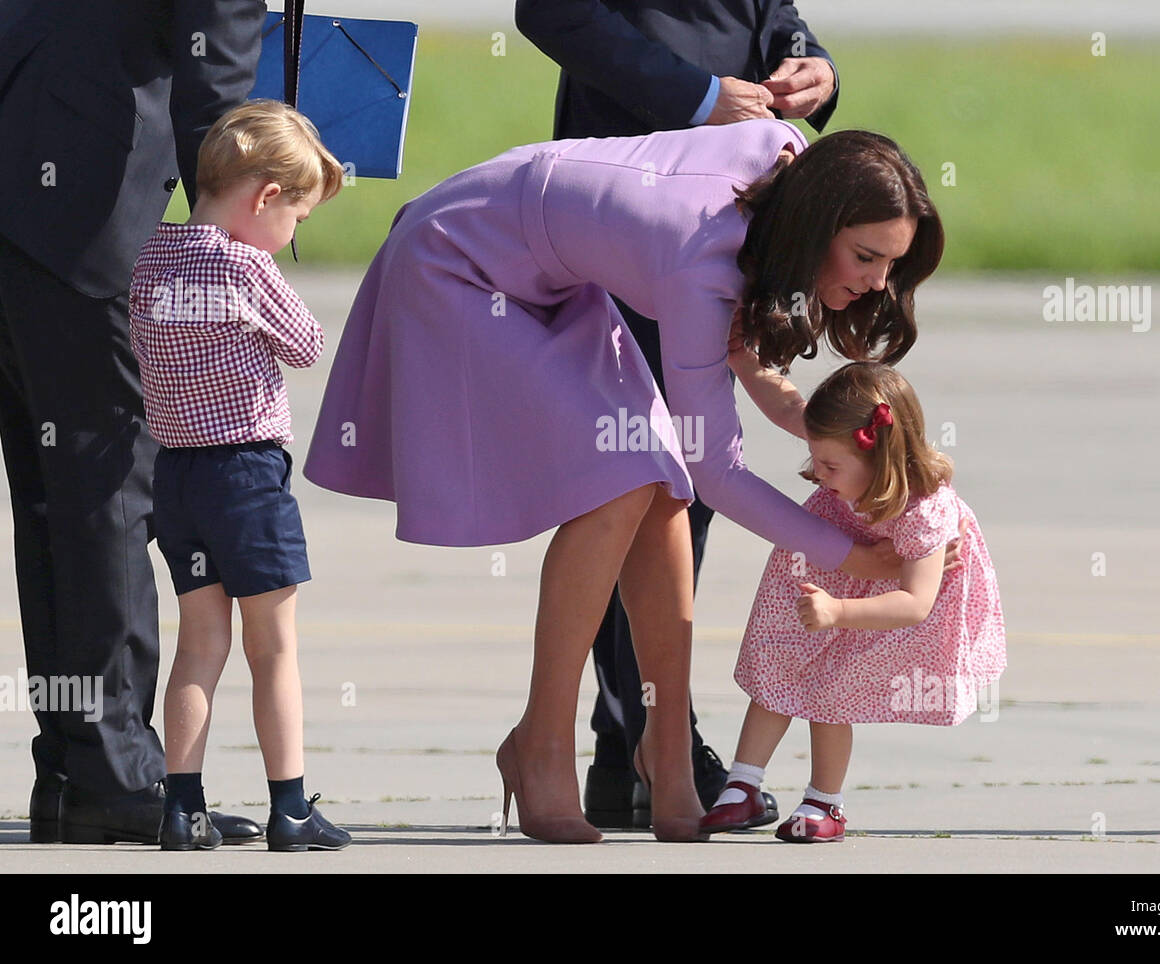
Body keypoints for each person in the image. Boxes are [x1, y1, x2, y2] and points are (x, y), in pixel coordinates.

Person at [303, 119, 945, 843]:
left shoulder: (788, 158)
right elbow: (720, 469)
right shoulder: (697, 256)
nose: (875, 283)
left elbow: (739, 358)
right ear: (817, 224)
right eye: (865, 257)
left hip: (548, 275)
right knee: (623, 480)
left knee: (661, 483)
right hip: (456, 262)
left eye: (889, 265)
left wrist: (820, 425)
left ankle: (665, 749)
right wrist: (848, 554)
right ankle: (540, 746)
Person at [516, 0, 839, 830]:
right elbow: (551, 12)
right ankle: (650, 738)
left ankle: (625, 744)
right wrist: (696, 98)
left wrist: (810, 66)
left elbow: (775, 15)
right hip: (627, 205)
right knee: (635, 480)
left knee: (677, 494)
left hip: (729, 205)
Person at [0, 0, 266, 845]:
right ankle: (113, 773)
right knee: (110, 489)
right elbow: (216, 88)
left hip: (27, 196)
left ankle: (76, 766)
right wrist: (233, 253)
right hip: (80, 215)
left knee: (53, 498)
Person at [129, 100, 351, 852]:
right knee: (273, 646)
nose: (293, 235)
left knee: (198, 645)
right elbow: (307, 345)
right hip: (248, 474)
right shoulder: (248, 265)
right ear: (264, 198)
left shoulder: (152, 257)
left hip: (177, 476)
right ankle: (290, 807)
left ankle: (182, 807)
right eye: (298, 218)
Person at [699, 361, 1005, 842]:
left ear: (880, 456)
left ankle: (825, 802)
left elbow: (915, 602)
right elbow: (791, 414)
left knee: (831, 686)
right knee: (781, 660)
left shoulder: (925, 510)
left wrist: (839, 613)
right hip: (829, 577)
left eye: (830, 465)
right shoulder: (839, 478)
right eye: (816, 459)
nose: (817, 475)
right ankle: (744, 784)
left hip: (877, 604)